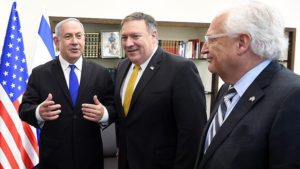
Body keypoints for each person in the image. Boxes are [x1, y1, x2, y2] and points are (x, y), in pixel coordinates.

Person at [194, 1, 300, 169]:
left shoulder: (293, 96)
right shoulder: (227, 90)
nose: (204, 49)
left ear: (242, 43)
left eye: (212, 40)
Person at [19, 18, 116, 169]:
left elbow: (114, 107)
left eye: (79, 36)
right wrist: (39, 112)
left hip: (90, 159)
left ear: (84, 39)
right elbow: (24, 109)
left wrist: (104, 113)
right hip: (53, 159)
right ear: (57, 41)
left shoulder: (101, 73)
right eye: (68, 36)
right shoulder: (40, 73)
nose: (75, 41)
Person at [114, 12, 207, 169]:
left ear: (153, 36)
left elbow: (193, 132)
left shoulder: (181, 69)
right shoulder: (122, 66)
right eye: (124, 37)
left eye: (135, 36)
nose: (129, 43)